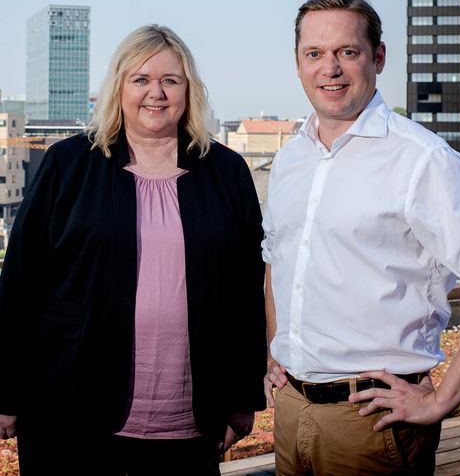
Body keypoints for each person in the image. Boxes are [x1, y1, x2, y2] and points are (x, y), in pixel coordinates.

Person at [0, 24, 267, 476]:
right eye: (141, 79)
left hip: (187, 417)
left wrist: (243, 397)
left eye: (170, 80)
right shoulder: (68, 163)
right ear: (119, 88)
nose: (155, 93)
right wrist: (6, 391)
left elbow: (246, 292)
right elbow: (21, 281)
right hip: (67, 406)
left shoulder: (227, 171)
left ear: (189, 90)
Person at [263, 0, 460, 475]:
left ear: (378, 57)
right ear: (298, 62)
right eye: (315, 53)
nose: (330, 68)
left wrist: (442, 401)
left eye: (347, 51)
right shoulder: (290, 158)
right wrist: (275, 350)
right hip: (290, 409)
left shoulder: (423, 160)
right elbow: (277, 260)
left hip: (372, 422)